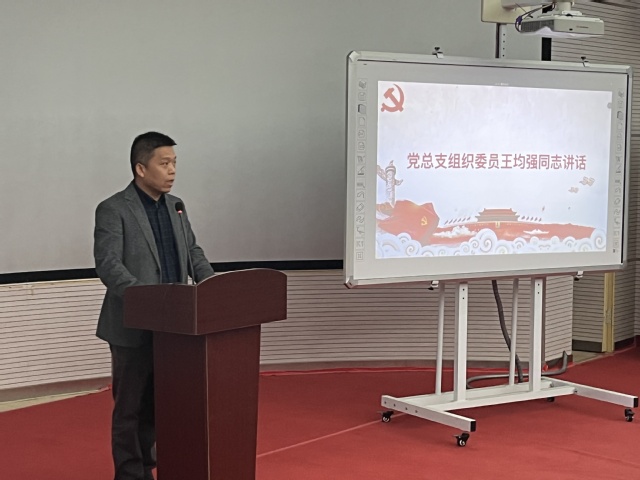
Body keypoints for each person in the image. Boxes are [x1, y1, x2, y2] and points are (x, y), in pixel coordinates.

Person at [94, 131, 214, 480]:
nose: (172, 170)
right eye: (164, 163)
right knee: (130, 409)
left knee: (159, 406)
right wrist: (146, 300)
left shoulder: (177, 206)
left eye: (174, 163)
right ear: (141, 168)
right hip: (133, 325)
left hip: (174, 326)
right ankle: (130, 474)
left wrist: (212, 285)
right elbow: (109, 264)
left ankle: (150, 467)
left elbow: (192, 251)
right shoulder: (114, 209)